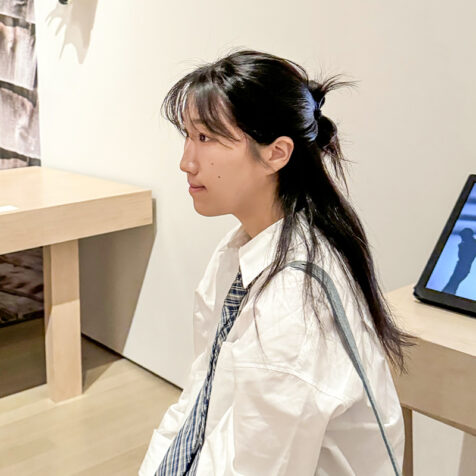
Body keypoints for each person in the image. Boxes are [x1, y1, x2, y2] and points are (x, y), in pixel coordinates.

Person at [139, 49, 416, 476]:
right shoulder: (242, 250)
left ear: (276, 154)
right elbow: (201, 398)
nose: (186, 161)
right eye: (188, 136)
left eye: (206, 138)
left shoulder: (293, 306)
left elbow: (258, 465)